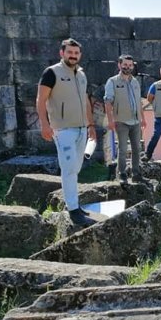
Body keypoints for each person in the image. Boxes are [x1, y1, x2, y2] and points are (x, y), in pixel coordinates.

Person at [36, 38, 96, 226]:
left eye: (76, 53)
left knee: (75, 168)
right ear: (62, 53)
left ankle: (74, 203)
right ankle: (73, 210)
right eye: (70, 52)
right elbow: (40, 99)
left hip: (80, 128)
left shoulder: (81, 74)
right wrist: (44, 124)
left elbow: (86, 100)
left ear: (80, 55)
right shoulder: (51, 72)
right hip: (62, 130)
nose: (73, 55)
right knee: (69, 168)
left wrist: (91, 125)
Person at [104, 54, 146, 184]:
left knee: (137, 149)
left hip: (136, 121)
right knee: (122, 149)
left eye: (130, 65)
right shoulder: (112, 81)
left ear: (132, 66)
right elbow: (107, 101)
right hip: (121, 120)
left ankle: (136, 174)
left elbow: (138, 102)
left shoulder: (135, 81)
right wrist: (110, 120)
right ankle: (121, 174)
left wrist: (143, 118)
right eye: (125, 65)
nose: (127, 67)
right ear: (119, 65)